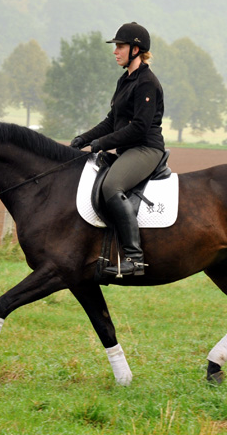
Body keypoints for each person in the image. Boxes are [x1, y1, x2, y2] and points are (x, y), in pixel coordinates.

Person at [70, 22, 165, 277]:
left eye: (120, 47)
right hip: (128, 149)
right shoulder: (125, 80)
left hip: (145, 149)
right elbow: (112, 120)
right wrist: (84, 138)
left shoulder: (146, 82)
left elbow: (140, 128)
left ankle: (134, 258)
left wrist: (102, 143)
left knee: (111, 186)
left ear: (136, 49)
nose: (115, 51)